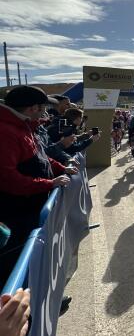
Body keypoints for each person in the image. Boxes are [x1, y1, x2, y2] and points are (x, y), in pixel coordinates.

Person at [0, 86, 76, 285]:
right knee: (19, 264)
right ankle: (28, 312)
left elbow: (41, 157)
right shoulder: (5, 131)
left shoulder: (24, 125)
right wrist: (49, 183)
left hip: (31, 205)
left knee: (37, 256)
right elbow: (8, 179)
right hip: (17, 213)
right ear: (33, 108)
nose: (47, 112)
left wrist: (62, 168)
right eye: (44, 108)